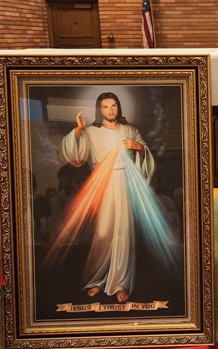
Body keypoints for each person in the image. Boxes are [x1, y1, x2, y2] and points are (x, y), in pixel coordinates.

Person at [56, 92, 155, 301]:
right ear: (99, 110)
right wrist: (78, 130)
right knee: (102, 233)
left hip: (125, 183)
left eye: (113, 106)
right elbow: (73, 156)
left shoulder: (130, 129)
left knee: (124, 234)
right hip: (102, 184)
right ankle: (97, 281)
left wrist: (139, 148)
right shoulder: (91, 131)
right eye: (105, 107)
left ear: (119, 107)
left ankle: (120, 284)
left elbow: (147, 156)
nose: (110, 110)